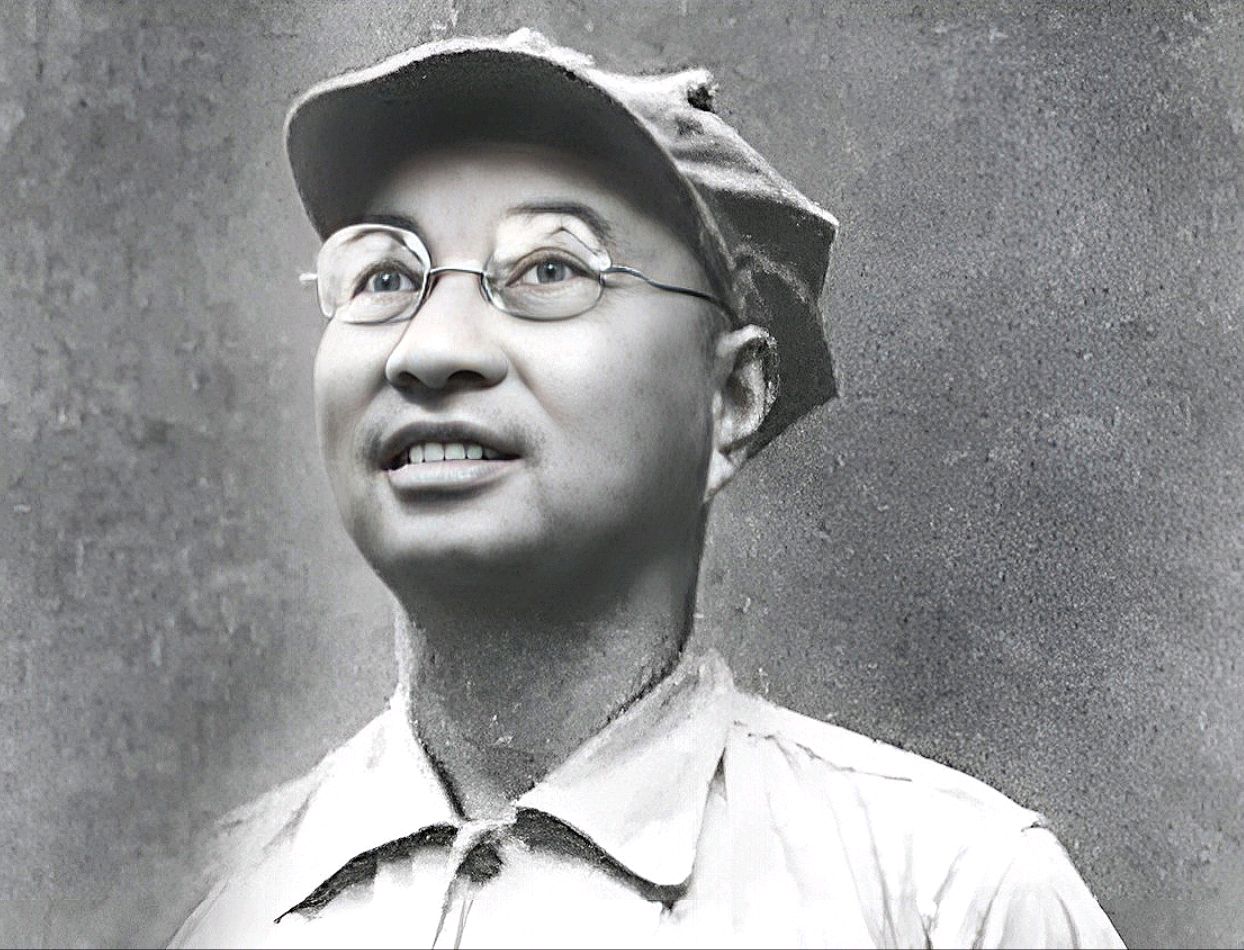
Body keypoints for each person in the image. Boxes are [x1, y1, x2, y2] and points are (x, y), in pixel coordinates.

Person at [168, 29, 1124, 949]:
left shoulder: (946, 899)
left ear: (730, 398)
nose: (430, 350)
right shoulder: (196, 904)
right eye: (383, 276)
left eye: (549, 269)